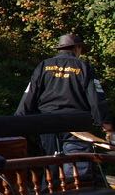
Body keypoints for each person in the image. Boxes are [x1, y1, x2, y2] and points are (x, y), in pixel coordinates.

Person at [16, 33, 115, 165]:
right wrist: (106, 124)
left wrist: (17, 123)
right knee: (77, 167)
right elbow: (96, 99)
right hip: (76, 126)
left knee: (50, 164)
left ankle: (49, 184)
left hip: (47, 123)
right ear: (77, 48)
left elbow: (29, 95)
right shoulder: (83, 67)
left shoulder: (44, 66)